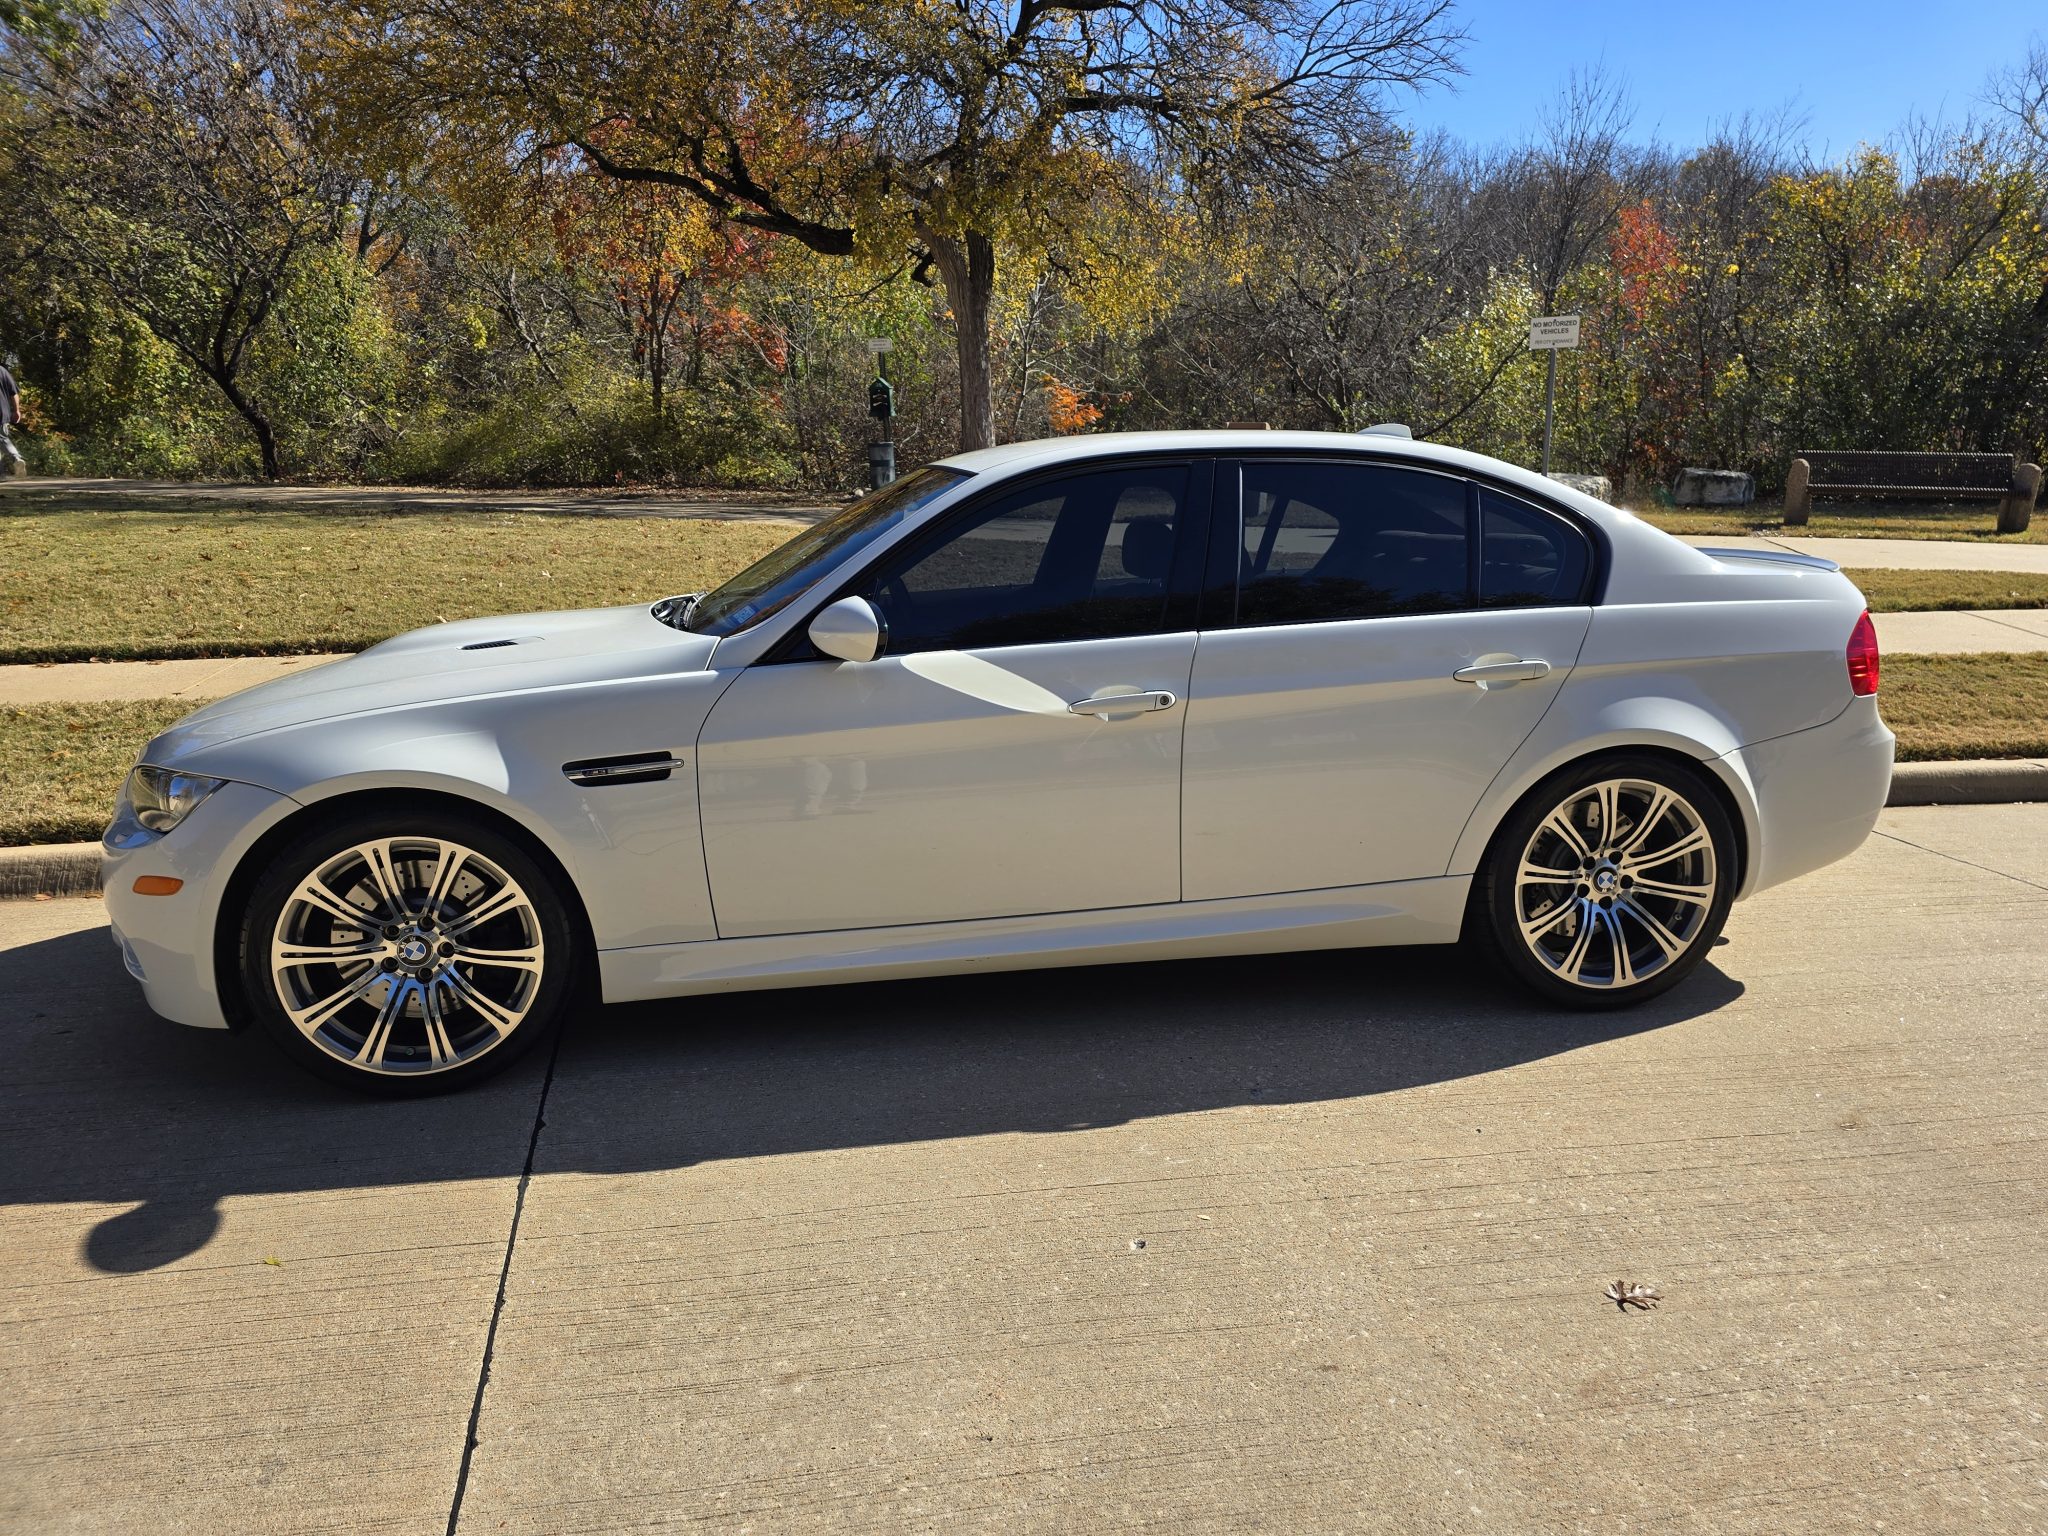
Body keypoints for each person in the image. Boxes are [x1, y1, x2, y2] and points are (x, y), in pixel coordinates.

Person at [0, 359, 22, 468]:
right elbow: (14, 393)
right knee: (3, 438)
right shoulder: (2, 371)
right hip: (2, 412)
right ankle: (16, 459)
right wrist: (16, 410)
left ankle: (15, 458)